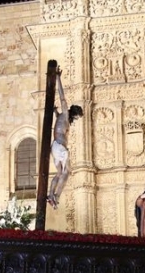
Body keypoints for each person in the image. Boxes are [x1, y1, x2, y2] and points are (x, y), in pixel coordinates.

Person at [47, 68, 83, 209]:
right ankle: (56, 196)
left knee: (59, 173)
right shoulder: (66, 114)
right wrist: (58, 78)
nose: (77, 119)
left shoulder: (62, 117)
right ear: (75, 113)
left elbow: (58, 122)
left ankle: (51, 195)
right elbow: (62, 97)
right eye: (78, 116)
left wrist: (55, 111)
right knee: (67, 172)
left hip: (56, 147)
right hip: (60, 147)